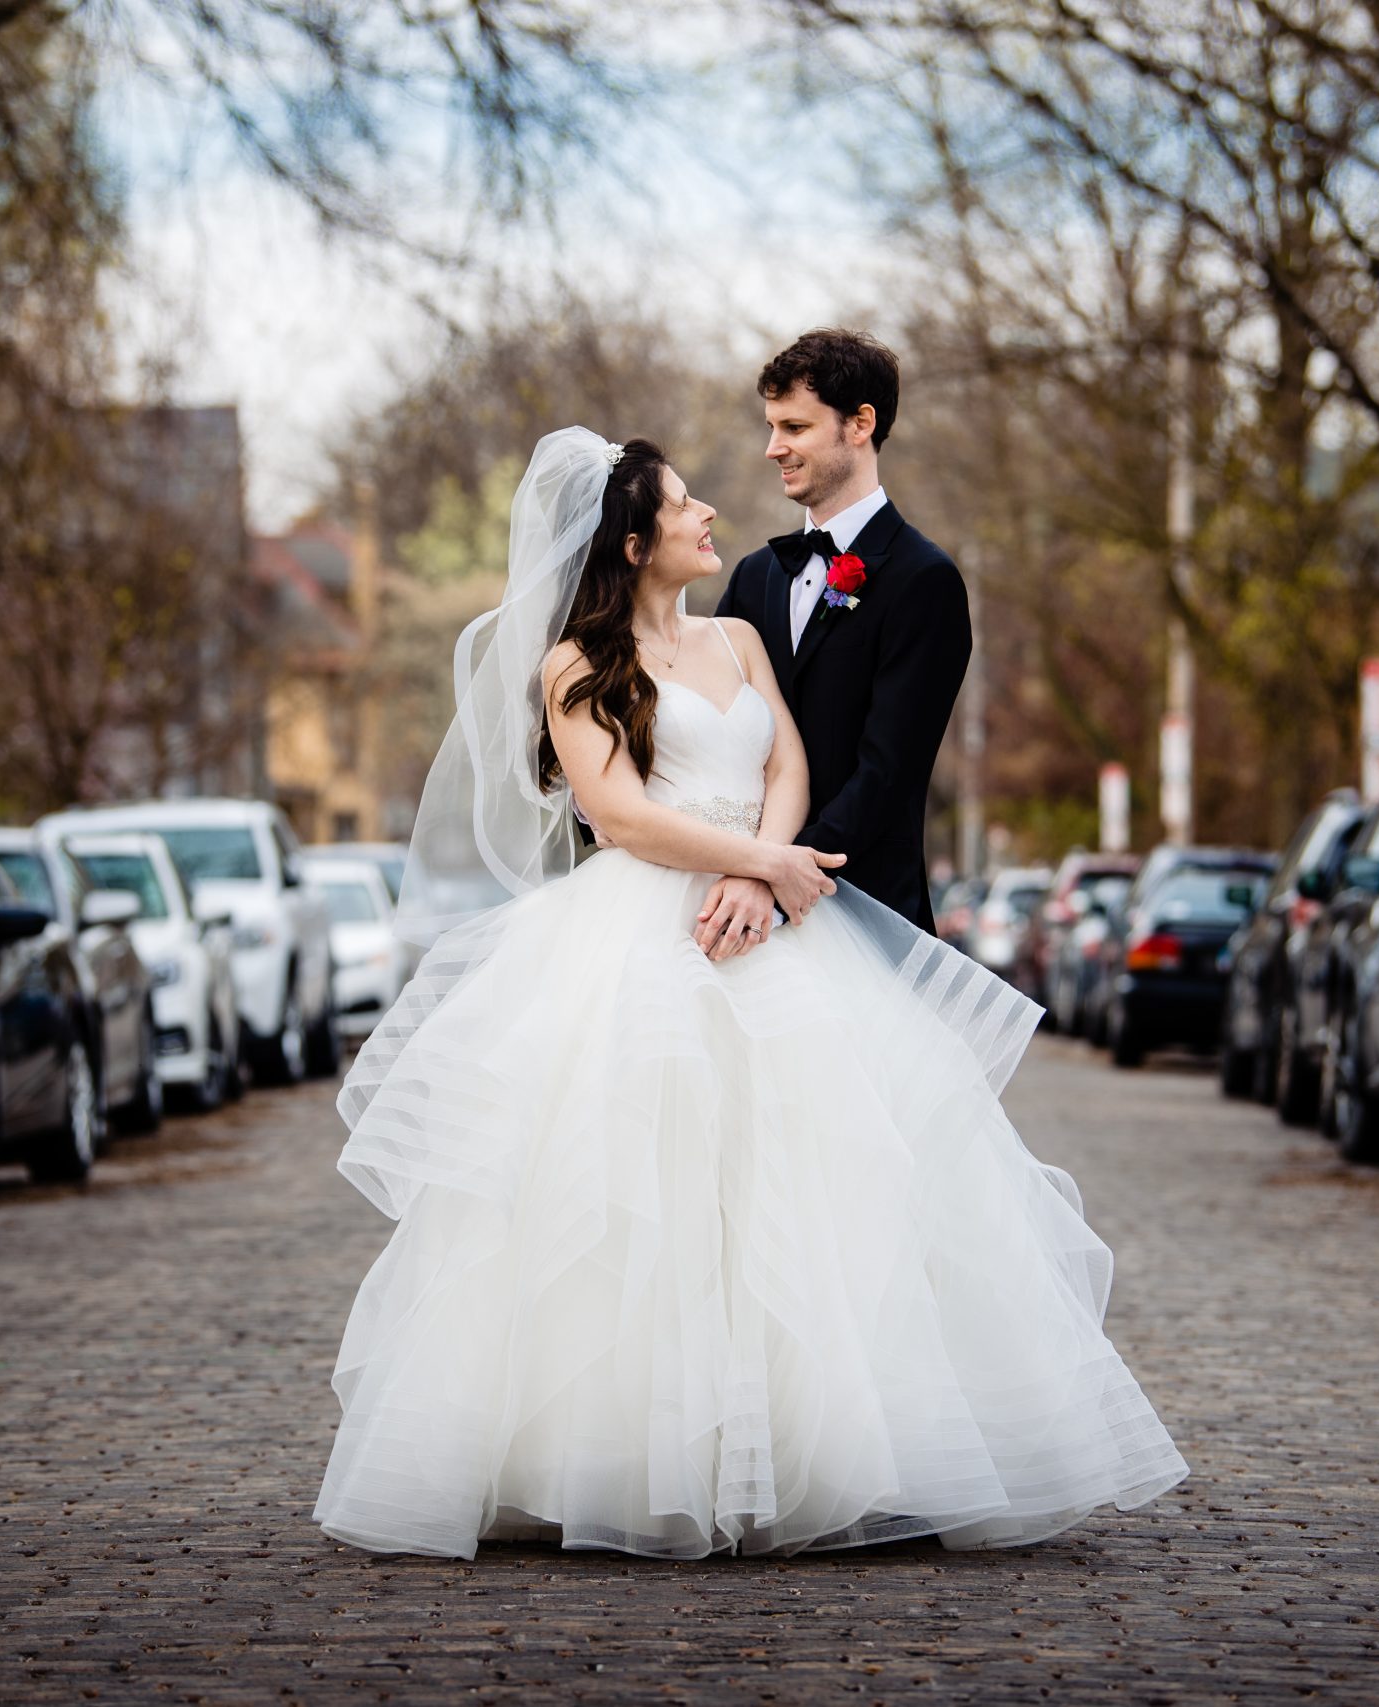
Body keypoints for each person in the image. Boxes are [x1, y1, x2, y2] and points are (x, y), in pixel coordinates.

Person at [312, 428, 1187, 1561]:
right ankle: (628, 1457)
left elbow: (785, 766)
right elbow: (618, 814)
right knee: (639, 1179)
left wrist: (764, 869)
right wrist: (751, 867)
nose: (708, 515)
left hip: (762, 924)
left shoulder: (736, 635)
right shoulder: (575, 665)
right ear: (634, 544)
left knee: (817, 1176)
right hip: (637, 928)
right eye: (684, 506)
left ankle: (817, 1453)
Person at [705, 329, 968, 945]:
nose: (773, 448)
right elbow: (703, 713)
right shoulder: (754, 578)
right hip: (734, 911)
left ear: (859, 424)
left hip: (862, 914)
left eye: (794, 428)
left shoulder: (924, 581)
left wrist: (776, 874)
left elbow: (886, 771)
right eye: (771, 428)